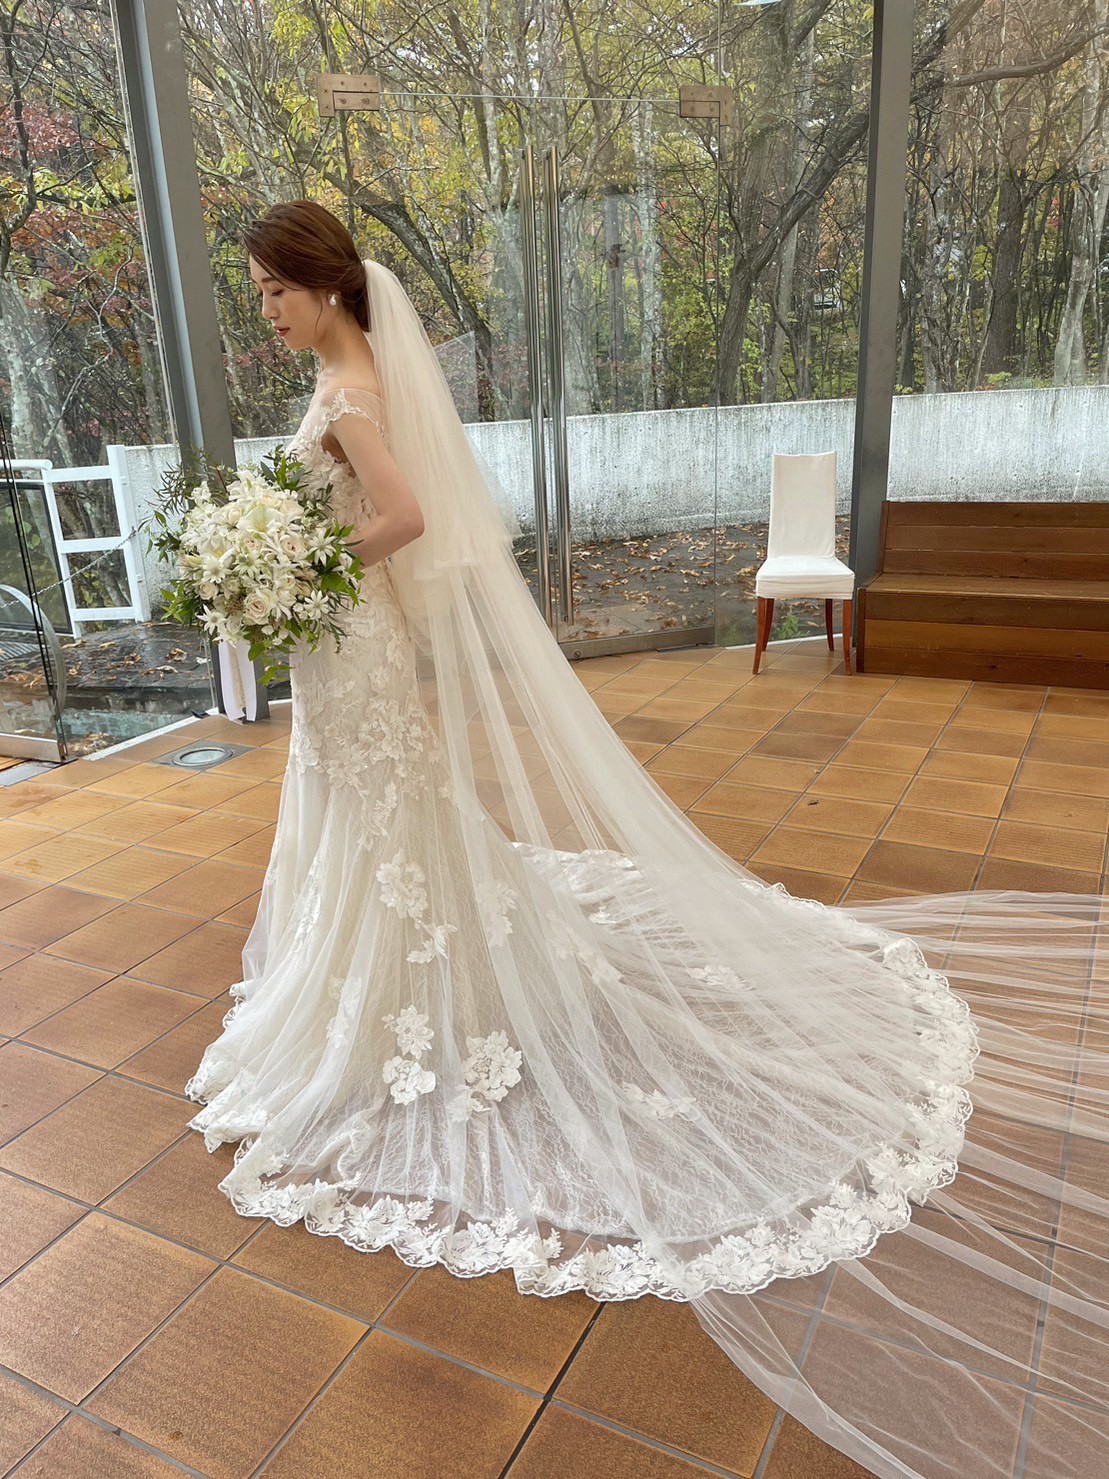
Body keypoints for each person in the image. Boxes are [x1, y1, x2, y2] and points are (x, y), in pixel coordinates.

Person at [186, 200, 1109, 1479]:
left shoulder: (347, 389)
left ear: (322, 289)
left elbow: (396, 516)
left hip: (350, 633)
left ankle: (408, 992)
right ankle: (400, 970)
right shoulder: (370, 370)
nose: (266, 310)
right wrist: (297, 573)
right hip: (357, 648)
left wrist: (298, 569)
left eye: (272, 290)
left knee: (384, 816)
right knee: (383, 819)